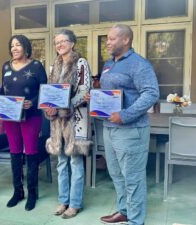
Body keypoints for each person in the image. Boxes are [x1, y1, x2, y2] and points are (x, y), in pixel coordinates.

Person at [96, 24, 159, 225]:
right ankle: (124, 211)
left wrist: (125, 115)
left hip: (131, 130)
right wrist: (95, 96)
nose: (107, 42)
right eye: (107, 38)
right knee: (116, 174)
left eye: (112, 38)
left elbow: (151, 93)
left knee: (133, 177)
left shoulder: (139, 64)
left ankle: (135, 220)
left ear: (126, 40)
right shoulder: (108, 64)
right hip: (109, 128)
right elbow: (110, 93)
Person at [44, 29, 91, 219]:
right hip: (56, 121)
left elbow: (84, 90)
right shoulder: (53, 66)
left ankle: (75, 203)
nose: (59, 45)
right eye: (56, 42)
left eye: (63, 41)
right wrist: (48, 107)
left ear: (72, 43)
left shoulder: (81, 63)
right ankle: (63, 200)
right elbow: (49, 91)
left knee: (75, 161)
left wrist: (64, 106)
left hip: (76, 118)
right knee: (61, 162)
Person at [0, 34, 47, 211]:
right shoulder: (5, 66)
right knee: (15, 152)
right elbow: (2, 90)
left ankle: (32, 193)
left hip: (31, 116)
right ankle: (17, 191)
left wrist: (32, 102)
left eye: (18, 45)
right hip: (10, 117)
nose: (14, 48)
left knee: (31, 153)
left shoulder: (36, 66)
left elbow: (45, 91)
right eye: (12, 46)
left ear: (26, 47)